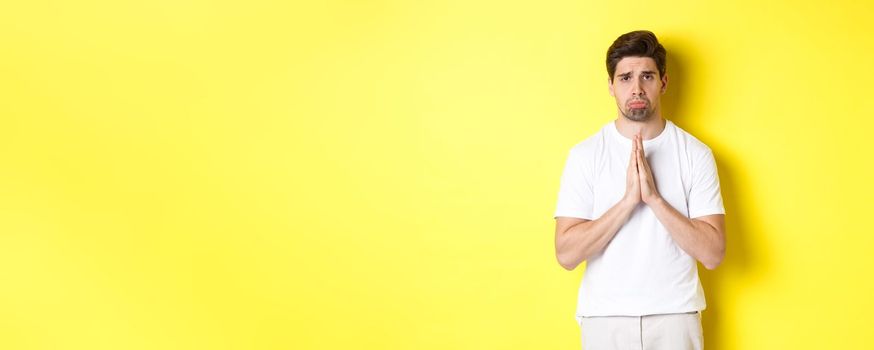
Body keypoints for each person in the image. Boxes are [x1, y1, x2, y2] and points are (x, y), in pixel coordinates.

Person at [553, 30, 726, 350]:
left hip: (675, 315)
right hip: (605, 318)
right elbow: (566, 254)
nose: (636, 88)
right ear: (610, 86)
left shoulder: (695, 153)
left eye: (647, 76)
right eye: (625, 77)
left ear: (663, 82)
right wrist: (628, 202)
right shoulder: (585, 155)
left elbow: (713, 253)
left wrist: (654, 199)